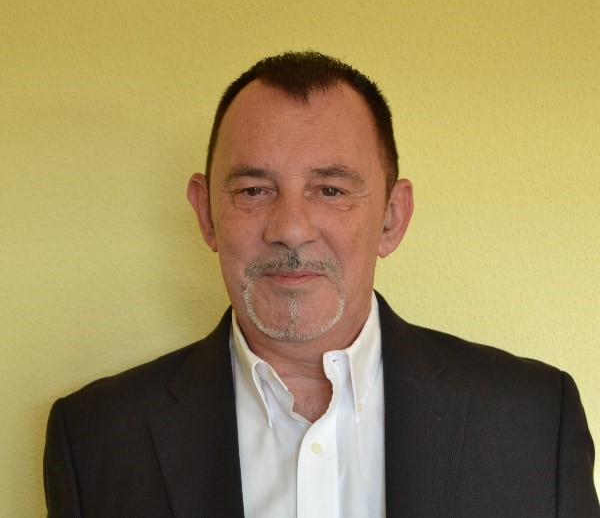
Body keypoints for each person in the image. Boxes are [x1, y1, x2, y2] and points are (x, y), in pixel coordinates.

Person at [44, 51, 599, 517]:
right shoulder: (95, 438)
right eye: (254, 190)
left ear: (392, 218)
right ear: (207, 215)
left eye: (330, 190)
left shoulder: (532, 421)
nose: (291, 229)